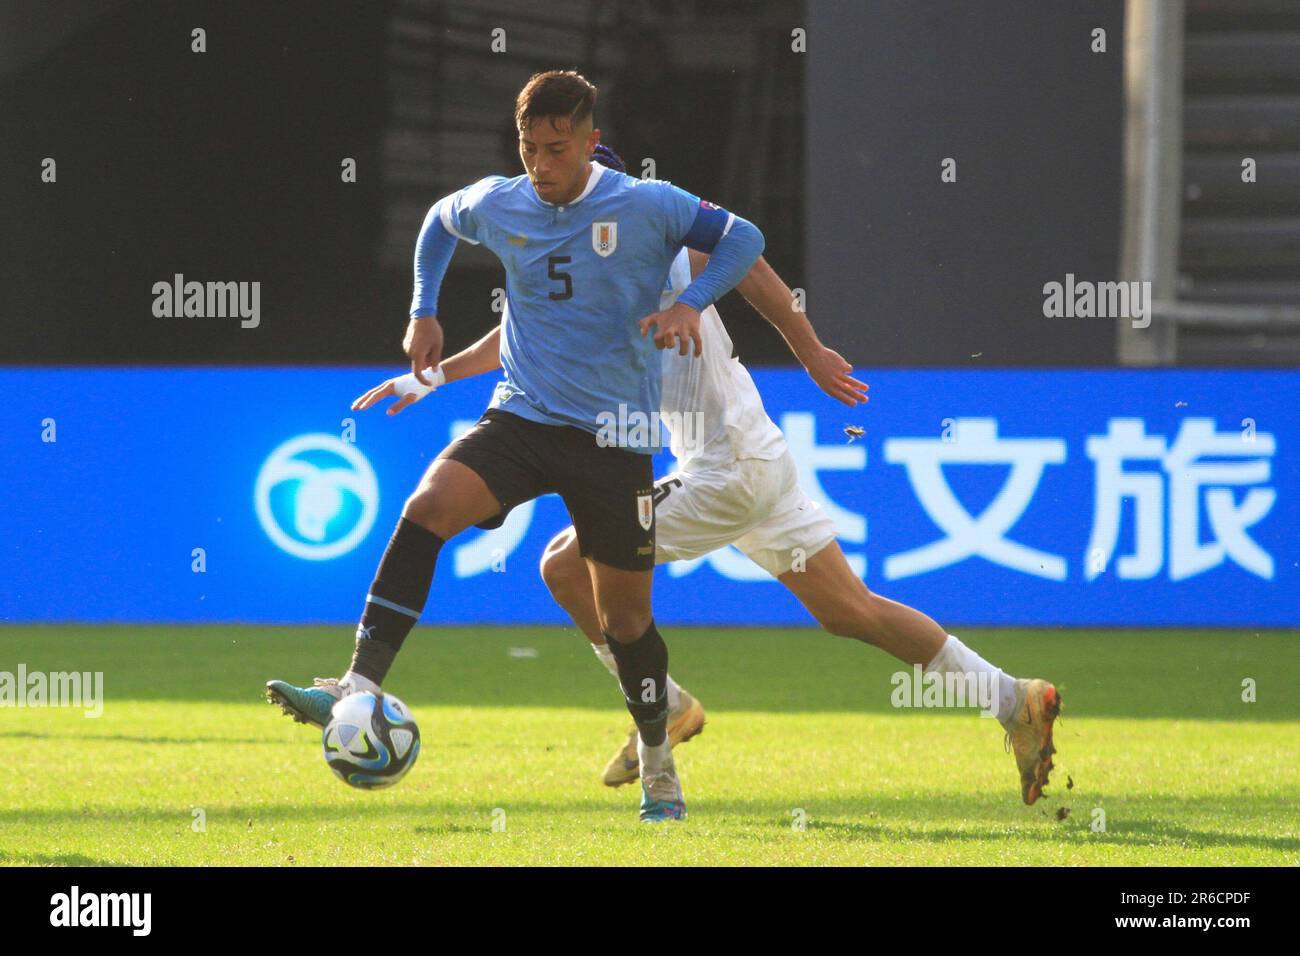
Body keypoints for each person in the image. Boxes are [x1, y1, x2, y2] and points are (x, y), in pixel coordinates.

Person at [354, 146, 1062, 807]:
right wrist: (434, 378)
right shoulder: (576, 276)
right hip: (755, 459)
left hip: (729, 469)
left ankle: (663, 706)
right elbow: (513, 342)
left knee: (566, 566)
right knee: (851, 611)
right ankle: (1014, 699)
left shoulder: (658, 239)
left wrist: (811, 351)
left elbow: (749, 262)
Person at [266, 71, 766, 824]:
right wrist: (423, 312)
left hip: (614, 436)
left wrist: (692, 303)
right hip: (524, 417)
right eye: (530, 147)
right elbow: (438, 220)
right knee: (428, 505)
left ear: (591, 141)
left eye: (557, 148)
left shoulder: (644, 204)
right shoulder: (503, 201)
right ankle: (358, 685)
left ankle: (658, 764)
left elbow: (743, 238)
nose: (541, 163)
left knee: (626, 623)